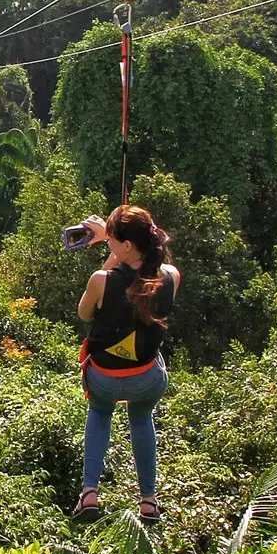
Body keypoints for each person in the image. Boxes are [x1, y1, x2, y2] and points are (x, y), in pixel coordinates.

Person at [69, 204, 181, 524]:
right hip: (145, 379)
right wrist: (118, 237)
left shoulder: (100, 280)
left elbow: (86, 314)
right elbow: (143, 273)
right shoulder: (171, 277)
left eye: (112, 240)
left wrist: (112, 246)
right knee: (141, 416)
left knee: (101, 412)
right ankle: (148, 500)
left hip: (104, 378)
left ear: (126, 246)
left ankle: (89, 493)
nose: (107, 243)